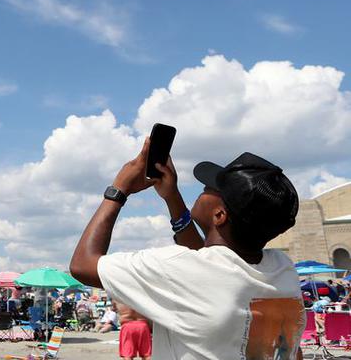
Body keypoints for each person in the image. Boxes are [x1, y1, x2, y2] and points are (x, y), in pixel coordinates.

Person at [70, 143, 306, 359]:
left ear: (219, 215)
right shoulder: (282, 269)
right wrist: (172, 197)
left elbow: (83, 265)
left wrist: (119, 189)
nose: (203, 188)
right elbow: (208, 268)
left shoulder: (179, 268)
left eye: (210, 188)